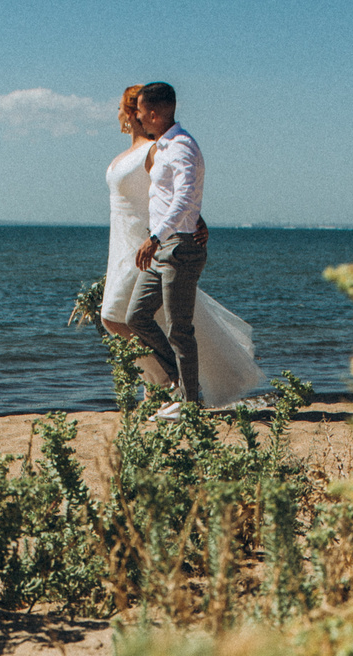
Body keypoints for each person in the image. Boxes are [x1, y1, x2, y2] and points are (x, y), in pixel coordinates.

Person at [96, 82, 260, 416]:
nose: (132, 115)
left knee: (157, 323)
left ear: (143, 112)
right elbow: (167, 192)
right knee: (136, 317)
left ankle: (183, 393)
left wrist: (187, 224)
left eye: (133, 109)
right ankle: (173, 386)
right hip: (140, 242)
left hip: (161, 242)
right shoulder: (165, 146)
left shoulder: (167, 147)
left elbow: (184, 193)